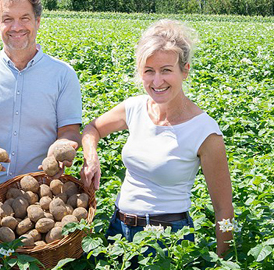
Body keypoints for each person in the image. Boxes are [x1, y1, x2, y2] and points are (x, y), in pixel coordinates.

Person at [81, 19, 233, 257]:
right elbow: (92, 129)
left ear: (185, 71)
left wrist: (225, 266)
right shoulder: (134, 108)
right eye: (149, 71)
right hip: (118, 230)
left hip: (167, 240)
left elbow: (224, 208)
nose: (157, 81)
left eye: (166, 70)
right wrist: (91, 156)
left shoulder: (205, 131)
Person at [0, 0, 82, 251]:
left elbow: (71, 131)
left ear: (38, 20)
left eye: (25, 18)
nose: (17, 27)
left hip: (40, 197)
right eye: (8, 19)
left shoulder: (63, 75)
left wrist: (61, 148)